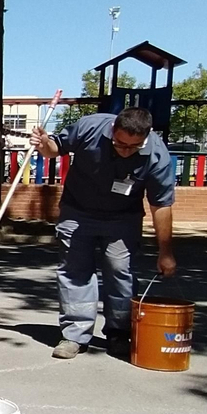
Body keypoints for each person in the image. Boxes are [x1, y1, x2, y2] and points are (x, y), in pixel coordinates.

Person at [28, 107, 177, 360]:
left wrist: (166, 252)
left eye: (134, 146)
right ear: (112, 130)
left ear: (146, 136)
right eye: (120, 143)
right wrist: (44, 144)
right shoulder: (90, 127)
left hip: (123, 218)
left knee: (120, 272)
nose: (125, 151)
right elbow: (55, 149)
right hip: (77, 212)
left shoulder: (157, 154)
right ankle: (74, 335)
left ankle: (119, 333)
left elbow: (161, 205)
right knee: (74, 272)